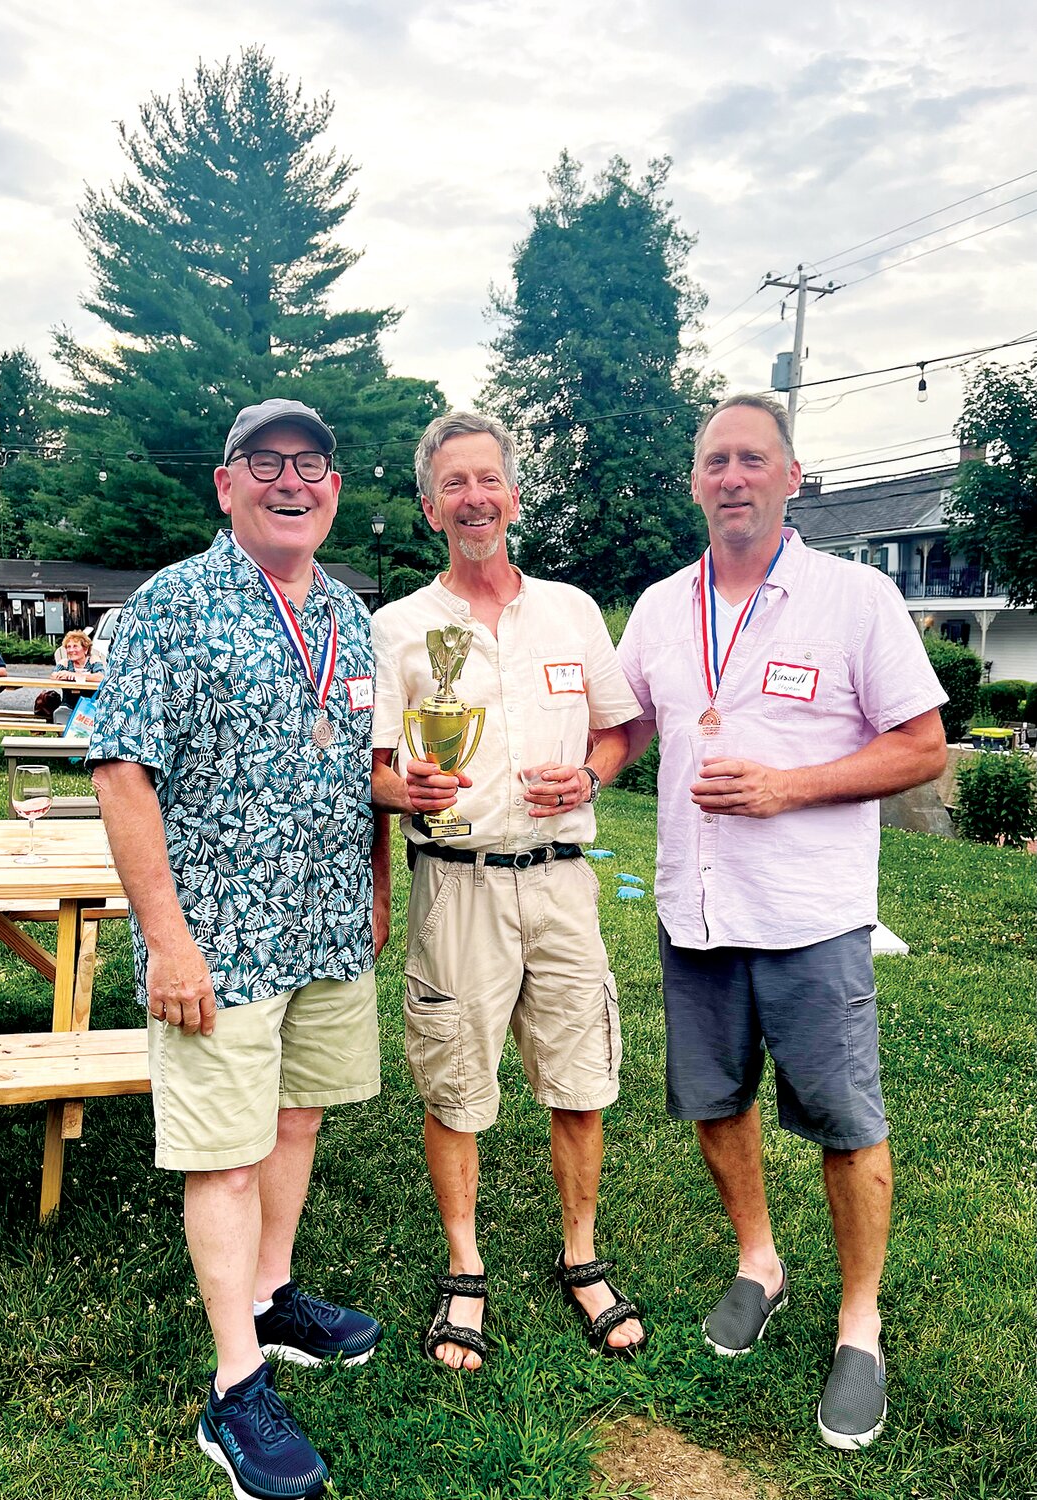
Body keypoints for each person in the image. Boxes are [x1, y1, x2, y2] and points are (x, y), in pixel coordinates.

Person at [617, 395, 948, 1451]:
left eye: (750, 458)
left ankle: (860, 1320)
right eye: (712, 459)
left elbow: (921, 747)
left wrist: (788, 787)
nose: (730, 477)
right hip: (695, 909)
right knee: (715, 1105)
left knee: (844, 1124)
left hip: (810, 917)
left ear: (790, 477)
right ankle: (757, 1261)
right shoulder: (662, 606)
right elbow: (622, 723)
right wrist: (560, 769)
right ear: (693, 482)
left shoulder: (855, 599)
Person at [87, 398, 387, 1500]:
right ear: (226, 484)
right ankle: (235, 1383)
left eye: (311, 464)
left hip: (322, 925)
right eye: (266, 464)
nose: (290, 481)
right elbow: (122, 772)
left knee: (295, 1119)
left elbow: (348, 760)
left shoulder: (351, 616)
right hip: (214, 936)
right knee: (223, 1151)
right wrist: (166, 941)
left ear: (334, 490)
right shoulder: (171, 603)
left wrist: (375, 883)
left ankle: (273, 1293)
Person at [371, 411, 647, 1372]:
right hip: (457, 885)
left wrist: (595, 775)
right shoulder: (398, 629)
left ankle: (581, 1254)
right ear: (430, 505)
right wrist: (405, 787)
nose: (475, 498)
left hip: (563, 881)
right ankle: (464, 1266)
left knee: (581, 1076)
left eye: (489, 480)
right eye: (455, 483)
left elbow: (621, 727)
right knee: (455, 1083)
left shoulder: (570, 610)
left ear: (513, 497)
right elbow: (371, 769)